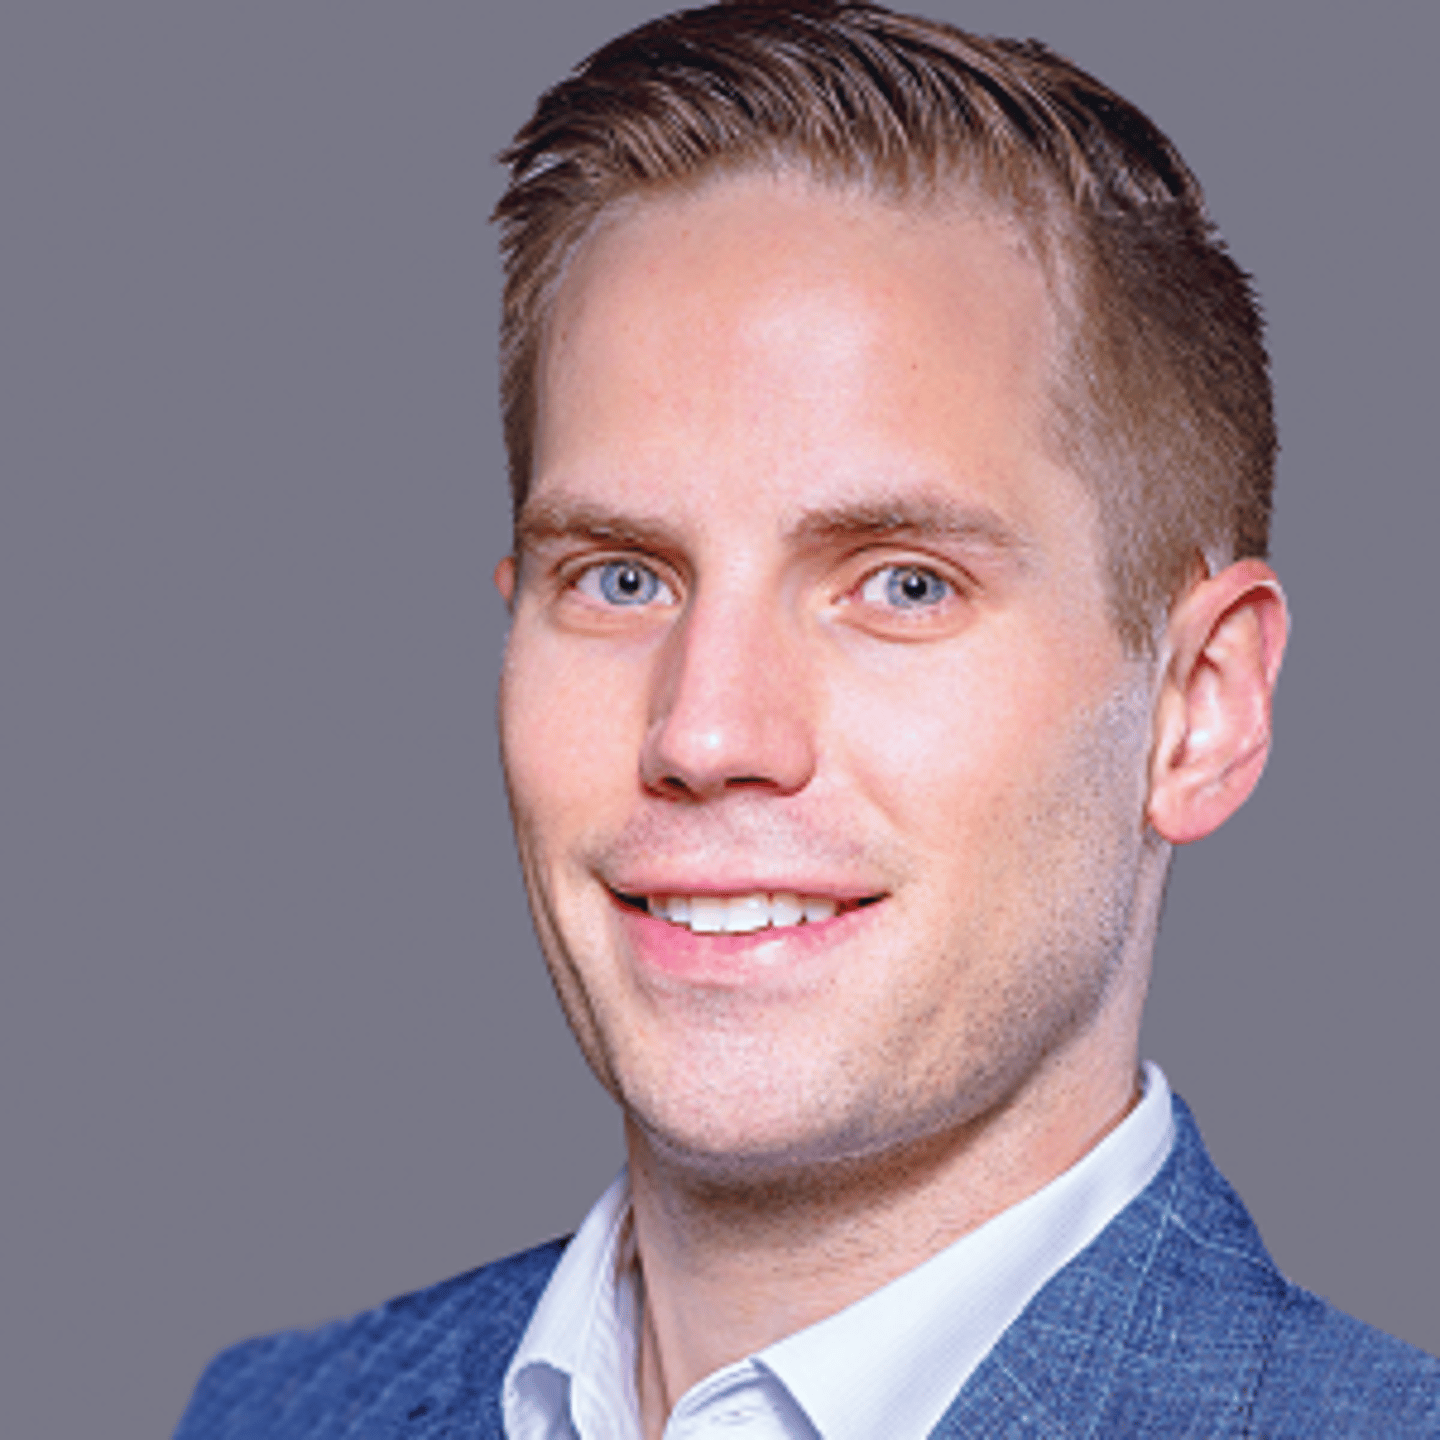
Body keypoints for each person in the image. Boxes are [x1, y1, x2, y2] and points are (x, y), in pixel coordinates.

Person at [175, 2, 1440, 1435]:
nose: (706, 734)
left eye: (901, 584)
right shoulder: (271, 1412)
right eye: (623, 576)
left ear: (1199, 708)